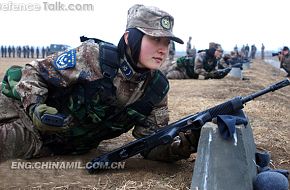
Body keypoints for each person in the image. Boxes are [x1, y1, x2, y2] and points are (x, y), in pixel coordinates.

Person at [0, 4, 198, 163]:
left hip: (41, 141)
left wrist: (186, 143)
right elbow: (34, 71)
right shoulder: (94, 57)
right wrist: (36, 107)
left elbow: (152, 144)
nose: (163, 49)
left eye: (166, 42)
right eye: (155, 39)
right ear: (130, 38)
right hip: (17, 107)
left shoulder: (156, 89)